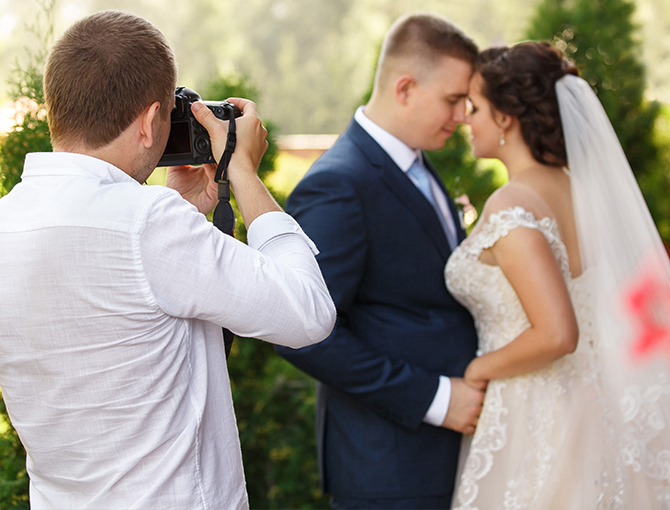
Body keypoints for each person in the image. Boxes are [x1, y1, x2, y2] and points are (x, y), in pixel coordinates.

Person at [0, 10, 336, 510]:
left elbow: (121, 313)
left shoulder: (10, 220)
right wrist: (242, 174)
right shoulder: (145, 223)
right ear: (150, 121)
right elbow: (309, 313)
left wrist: (182, 209)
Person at [446, 41, 670, 509]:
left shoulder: (511, 205)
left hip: (533, 409)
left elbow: (556, 333)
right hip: (595, 402)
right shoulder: (588, 195)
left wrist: (477, 368)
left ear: (506, 118)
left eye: (475, 107)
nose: (467, 119)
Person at [275, 13, 486, 509]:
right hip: (389, 469)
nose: (461, 117)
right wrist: (435, 398)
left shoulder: (417, 161)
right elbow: (301, 331)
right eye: (454, 100)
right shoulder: (339, 183)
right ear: (406, 87)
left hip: (443, 458)